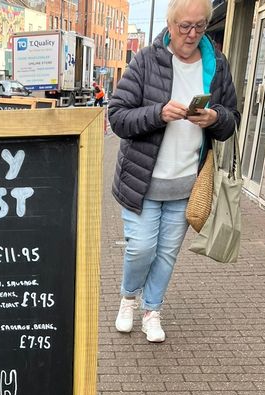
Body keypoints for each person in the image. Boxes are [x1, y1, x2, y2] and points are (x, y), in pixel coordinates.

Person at [108, 0, 239, 342]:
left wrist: (215, 118)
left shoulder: (217, 64)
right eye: (184, 26)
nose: (192, 34)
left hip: (186, 185)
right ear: (170, 23)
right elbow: (117, 116)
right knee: (141, 249)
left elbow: (231, 119)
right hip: (142, 182)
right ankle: (128, 297)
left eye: (199, 26)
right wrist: (158, 113)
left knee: (166, 254)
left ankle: (152, 309)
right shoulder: (146, 61)